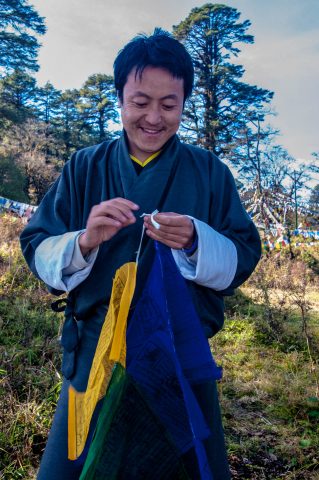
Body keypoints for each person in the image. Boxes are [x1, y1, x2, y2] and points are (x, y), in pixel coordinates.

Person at [20, 28, 261, 480]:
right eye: (140, 102)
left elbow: (244, 254)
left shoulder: (210, 173)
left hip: (179, 360)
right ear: (120, 98)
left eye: (169, 105)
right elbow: (36, 244)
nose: (154, 117)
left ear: (184, 103)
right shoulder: (84, 166)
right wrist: (84, 240)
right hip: (95, 355)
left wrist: (196, 240)